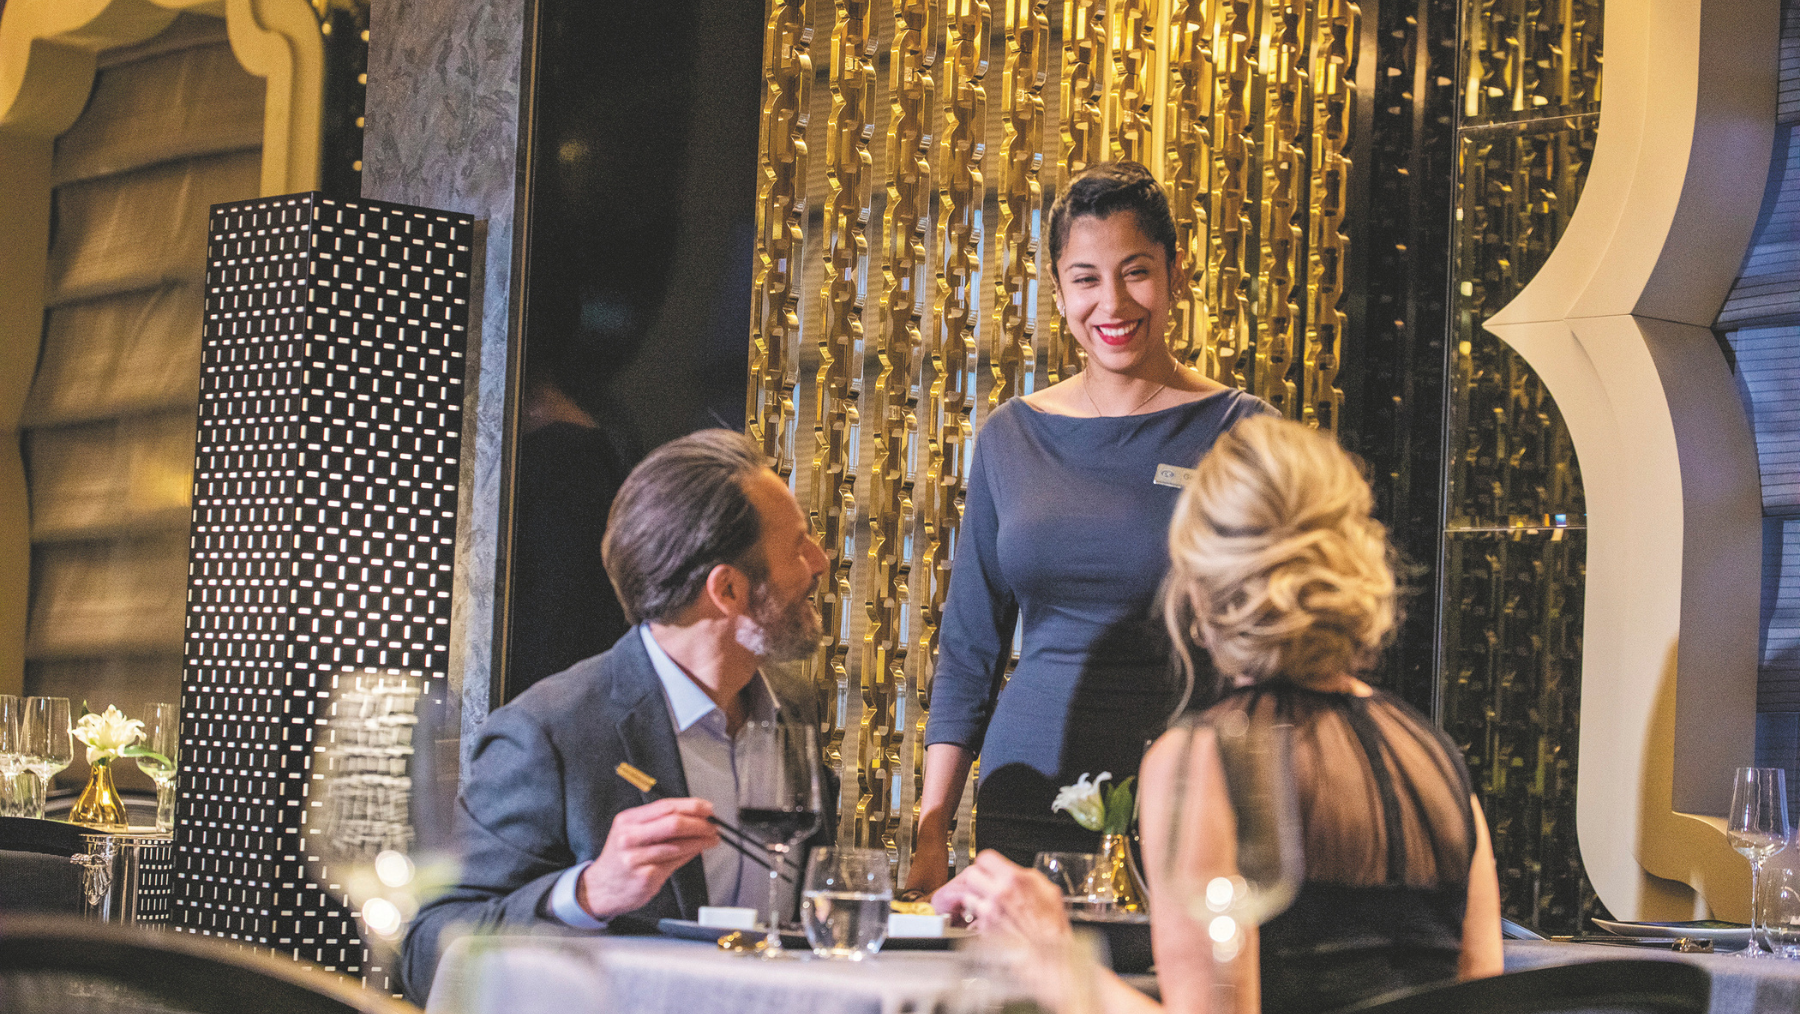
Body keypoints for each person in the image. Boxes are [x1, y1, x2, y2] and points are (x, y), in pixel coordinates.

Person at [933, 415, 1503, 1014]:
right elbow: (1489, 996)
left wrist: (1049, 955)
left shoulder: (1204, 759)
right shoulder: (1435, 757)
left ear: (1199, 583)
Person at [908, 161, 1272, 891]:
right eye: (1086, 278)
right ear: (1057, 291)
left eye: (1135, 272)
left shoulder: (1241, 431)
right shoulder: (1012, 435)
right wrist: (931, 826)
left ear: (1176, 273)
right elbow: (970, 647)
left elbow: (1270, 649)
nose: (1112, 301)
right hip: (1023, 792)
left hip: (1181, 797)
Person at [400, 429, 830, 1003]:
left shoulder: (795, 708)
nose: (820, 562)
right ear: (727, 589)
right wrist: (587, 894)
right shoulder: (549, 731)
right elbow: (430, 947)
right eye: (799, 545)